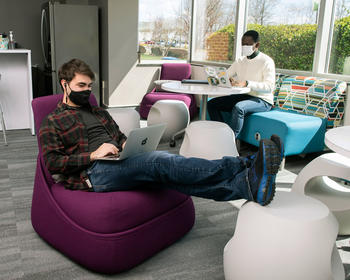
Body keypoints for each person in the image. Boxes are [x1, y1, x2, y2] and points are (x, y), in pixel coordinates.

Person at [39, 59, 283, 206]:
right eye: (81, 86)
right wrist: (93, 155)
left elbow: (119, 136)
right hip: (93, 174)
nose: (87, 91)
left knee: (170, 176)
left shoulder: (99, 112)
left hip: (116, 161)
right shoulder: (53, 121)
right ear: (64, 84)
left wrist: (125, 144)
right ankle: (245, 164)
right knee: (160, 161)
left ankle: (248, 185)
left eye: (89, 86)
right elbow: (53, 163)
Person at [207, 30, 275, 137]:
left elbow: (269, 87)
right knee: (211, 104)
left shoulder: (266, 61)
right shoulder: (240, 61)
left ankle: (230, 141)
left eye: (248, 44)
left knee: (239, 108)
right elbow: (226, 75)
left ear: (257, 45)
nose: (244, 46)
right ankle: (222, 134)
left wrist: (247, 83)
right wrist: (226, 80)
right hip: (244, 96)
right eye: (243, 44)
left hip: (262, 100)